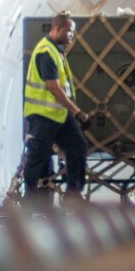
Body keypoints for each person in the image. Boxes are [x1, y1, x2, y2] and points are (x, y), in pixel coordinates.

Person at [21, 12, 89, 202]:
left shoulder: (56, 50)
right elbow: (53, 87)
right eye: (69, 32)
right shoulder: (45, 52)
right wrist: (77, 112)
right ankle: (30, 199)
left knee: (78, 146)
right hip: (43, 115)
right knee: (37, 156)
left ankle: (73, 195)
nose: (72, 36)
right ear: (57, 29)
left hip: (59, 115)